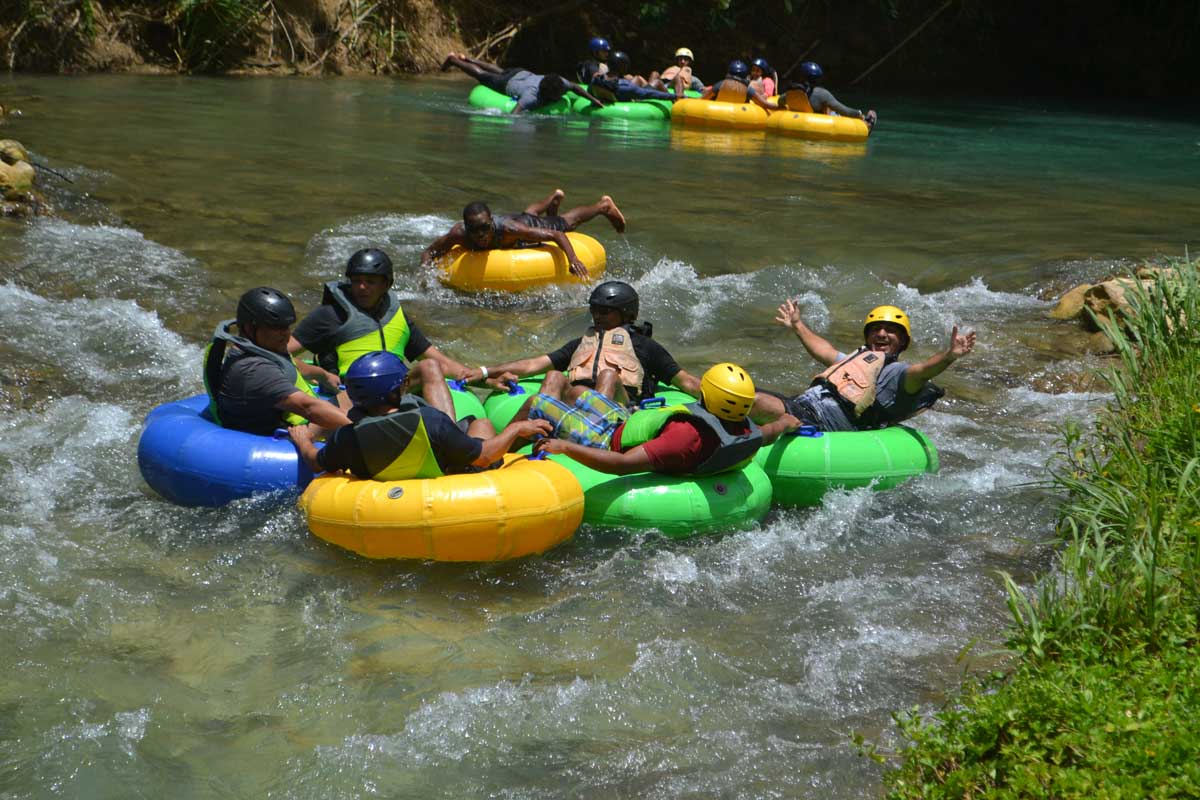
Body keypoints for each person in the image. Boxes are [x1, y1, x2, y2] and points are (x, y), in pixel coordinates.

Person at [290, 351, 552, 480]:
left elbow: (316, 462)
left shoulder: (347, 436)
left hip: (389, 488)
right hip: (451, 478)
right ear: (398, 389)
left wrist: (303, 440)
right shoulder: (429, 419)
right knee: (482, 423)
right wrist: (515, 430)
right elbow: (484, 456)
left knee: (473, 425)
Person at [288, 248, 468, 417]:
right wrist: (318, 373)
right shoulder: (330, 315)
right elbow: (276, 353)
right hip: (354, 393)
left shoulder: (396, 316)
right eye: (356, 281)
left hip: (397, 390)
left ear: (387, 284)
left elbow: (439, 361)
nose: (361, 287)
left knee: (429, 366)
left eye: (370, 282)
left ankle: (447, 435)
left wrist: (481, 375)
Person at [465, 280, 704, 408]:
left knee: (608, 376)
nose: (597, 316)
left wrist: (727, 401)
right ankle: (532, 432)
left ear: (627, 315)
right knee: (554, 378)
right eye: (594, 310)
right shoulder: (581, 344)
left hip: (618, 406)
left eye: (605, 311)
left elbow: (686, 381)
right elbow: (532, 365)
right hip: (575, 402)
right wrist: (486, 371)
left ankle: (594, 430)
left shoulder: (644, 347)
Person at [531, 362, 799, 476]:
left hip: (604, 440)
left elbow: (622, 465)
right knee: (577, 390)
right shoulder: (744, 432)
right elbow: (770, 432)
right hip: (625, 419)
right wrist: (787, 422)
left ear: (707, 397)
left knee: (537, 400)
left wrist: (565, 447)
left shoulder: (683, 436)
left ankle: (496, 455)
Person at [752, 302, 975, 432]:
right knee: (740, 391)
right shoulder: (860, 360)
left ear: (903, 341)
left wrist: (949, 355)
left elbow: (924, 370)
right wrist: (797, 325)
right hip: (802, 405)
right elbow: (824, 350)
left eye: (890, 330)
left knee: (755, 402)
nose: (881, 334)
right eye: (875, 329)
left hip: (820, 422)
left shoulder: (898, 374)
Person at [204, 286, 351, 436]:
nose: (286, 334)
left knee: (356, 394)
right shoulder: (254, 370)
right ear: (249, 328)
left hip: (285, 415)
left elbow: (293, 365)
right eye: (276, 328)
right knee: (355, 412)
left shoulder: (257, 348)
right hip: (277, 434)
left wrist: (324, 376)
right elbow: (308, 408)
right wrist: (361, 432)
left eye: (287, 327)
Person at [419, 190, 626, 281]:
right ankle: (552, 200)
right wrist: (425, 276)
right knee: (526, 214)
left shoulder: (509, 229)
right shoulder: (458, 235)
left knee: (567, 223)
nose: (481, 234)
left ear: (491, 222)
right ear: (466, 226)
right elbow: (429, 252)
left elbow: (556, 235)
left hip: (525, 225)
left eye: (484, 227)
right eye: (474, 229)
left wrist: (573, 259)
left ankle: (603, 206)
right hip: (518, 219)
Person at [441, 52, 605, 113]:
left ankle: (468, 57)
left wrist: (594, 100)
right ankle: (454, 60)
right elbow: (515, 113)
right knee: (483, 75)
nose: (559, 97)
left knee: (498, 69)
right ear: (548, 95)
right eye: (557, 96)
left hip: (521, 72)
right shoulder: (531, 97)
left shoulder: (559, 82)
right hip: (507, 83)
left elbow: (575, 87)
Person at [780, 61, 877, 130]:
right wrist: (859, 114)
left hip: (796, 124)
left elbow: (780, 101)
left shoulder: (791, 92)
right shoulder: (821, 93)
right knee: (834, 112)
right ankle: (867, 123)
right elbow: (844, 110)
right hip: (819, 125)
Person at [586, 51, 678, 103]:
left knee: (638, 79)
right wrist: (673, 95)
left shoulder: (596, 80)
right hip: (632, 97)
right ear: (623, 67)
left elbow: (589, 91)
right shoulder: (624, 87)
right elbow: (648, 94)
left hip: (616, 96)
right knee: (657, 82)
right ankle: (675, 102)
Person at [700, 60, 778, 110]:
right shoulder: (748, 89)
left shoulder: (721, 84)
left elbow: (703, 99)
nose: (754, 73)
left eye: (757, 70)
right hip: (741, 112)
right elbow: (764, 104)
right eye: (753, 70)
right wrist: (780, 107)